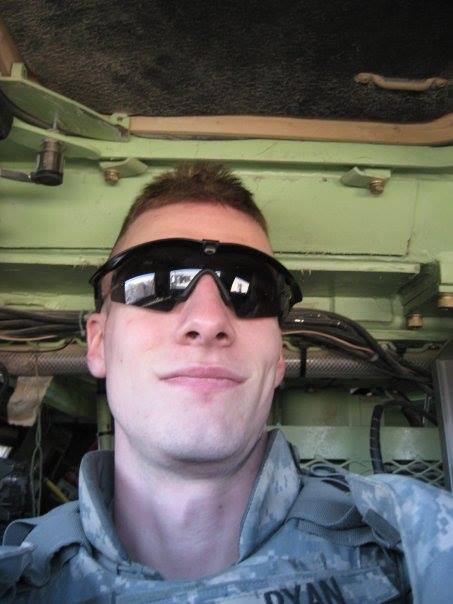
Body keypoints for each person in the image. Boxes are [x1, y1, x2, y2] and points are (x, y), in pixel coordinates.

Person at [1, 162, 453, 603]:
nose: (209, 320)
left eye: (250, 288)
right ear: (98, 343)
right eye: (154, 281)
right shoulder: (18, 580)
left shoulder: (415, 542)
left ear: (278, 358)